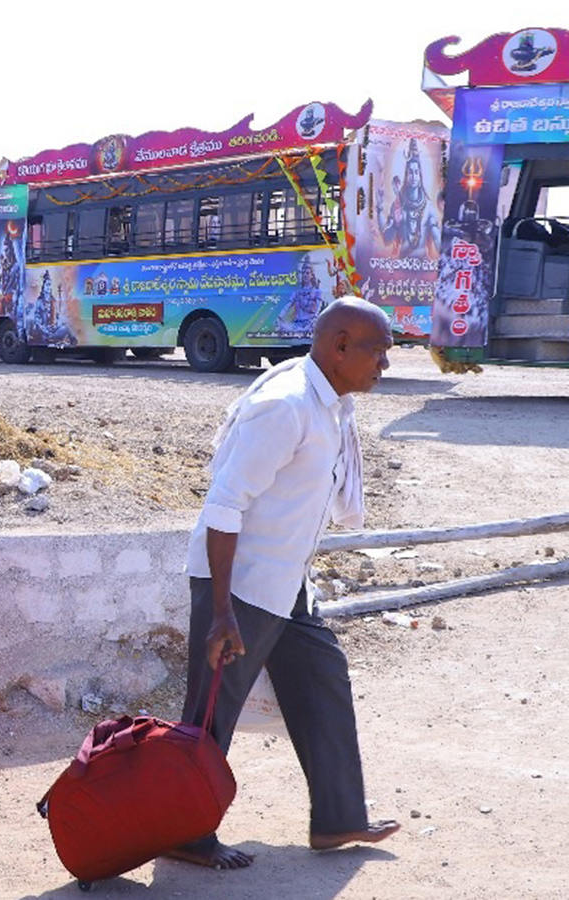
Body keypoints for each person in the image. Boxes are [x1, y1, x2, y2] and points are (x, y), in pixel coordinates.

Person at [170, 299, 401, 869]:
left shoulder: (328, 399)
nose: (386, 365)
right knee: (210, 713)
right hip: (240, 586)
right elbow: (224, 506)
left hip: (284, 581)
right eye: (378, 351)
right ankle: (183, 831)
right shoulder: (286, 405)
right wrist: (221, 612)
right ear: (339, 346)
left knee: (323, 677)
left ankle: (338, 819)